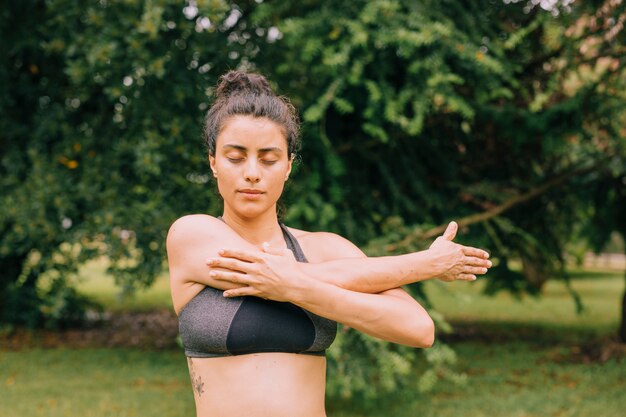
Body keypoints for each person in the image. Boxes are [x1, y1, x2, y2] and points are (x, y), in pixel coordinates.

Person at [166, 70, 492, 417]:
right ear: (213, 163)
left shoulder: (326, 248)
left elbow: (418, 328)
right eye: (235, 157)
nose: (251, 172)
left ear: (289, 166)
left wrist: (294, 285)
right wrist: (424, 264)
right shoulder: (192, 235)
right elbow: (266, 270)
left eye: (269, 158)